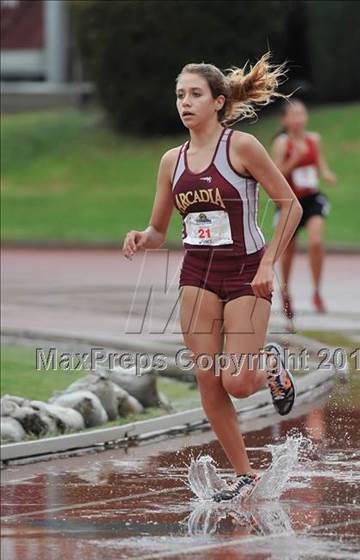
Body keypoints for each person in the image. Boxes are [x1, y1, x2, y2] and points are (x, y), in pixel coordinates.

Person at [122, 52, 303, 501]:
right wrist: (143, 238)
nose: (185, 102)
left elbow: (291, 205)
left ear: (218, 102)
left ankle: (270, 361)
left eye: (195, 94)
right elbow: (161, 230)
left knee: (237, 383)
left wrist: (267, 265)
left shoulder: (240, 147)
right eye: (180, 95)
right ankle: (245, 475)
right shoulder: (171, 161)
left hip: (247, 271)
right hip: (197, 275)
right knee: (208, 376)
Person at [271, 99, 337, 319]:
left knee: (316, 241)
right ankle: (286, 290)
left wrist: (326, 173)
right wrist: (295, 158)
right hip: (289, 202)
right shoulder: (282, 143)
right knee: (289, 250)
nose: (298, 119)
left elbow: (319, 163)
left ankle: (317, 290)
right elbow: (276, 175)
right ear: (285, 120)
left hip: (312, 199)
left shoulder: (313, 139)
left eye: (301, 114)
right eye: (293, 115)